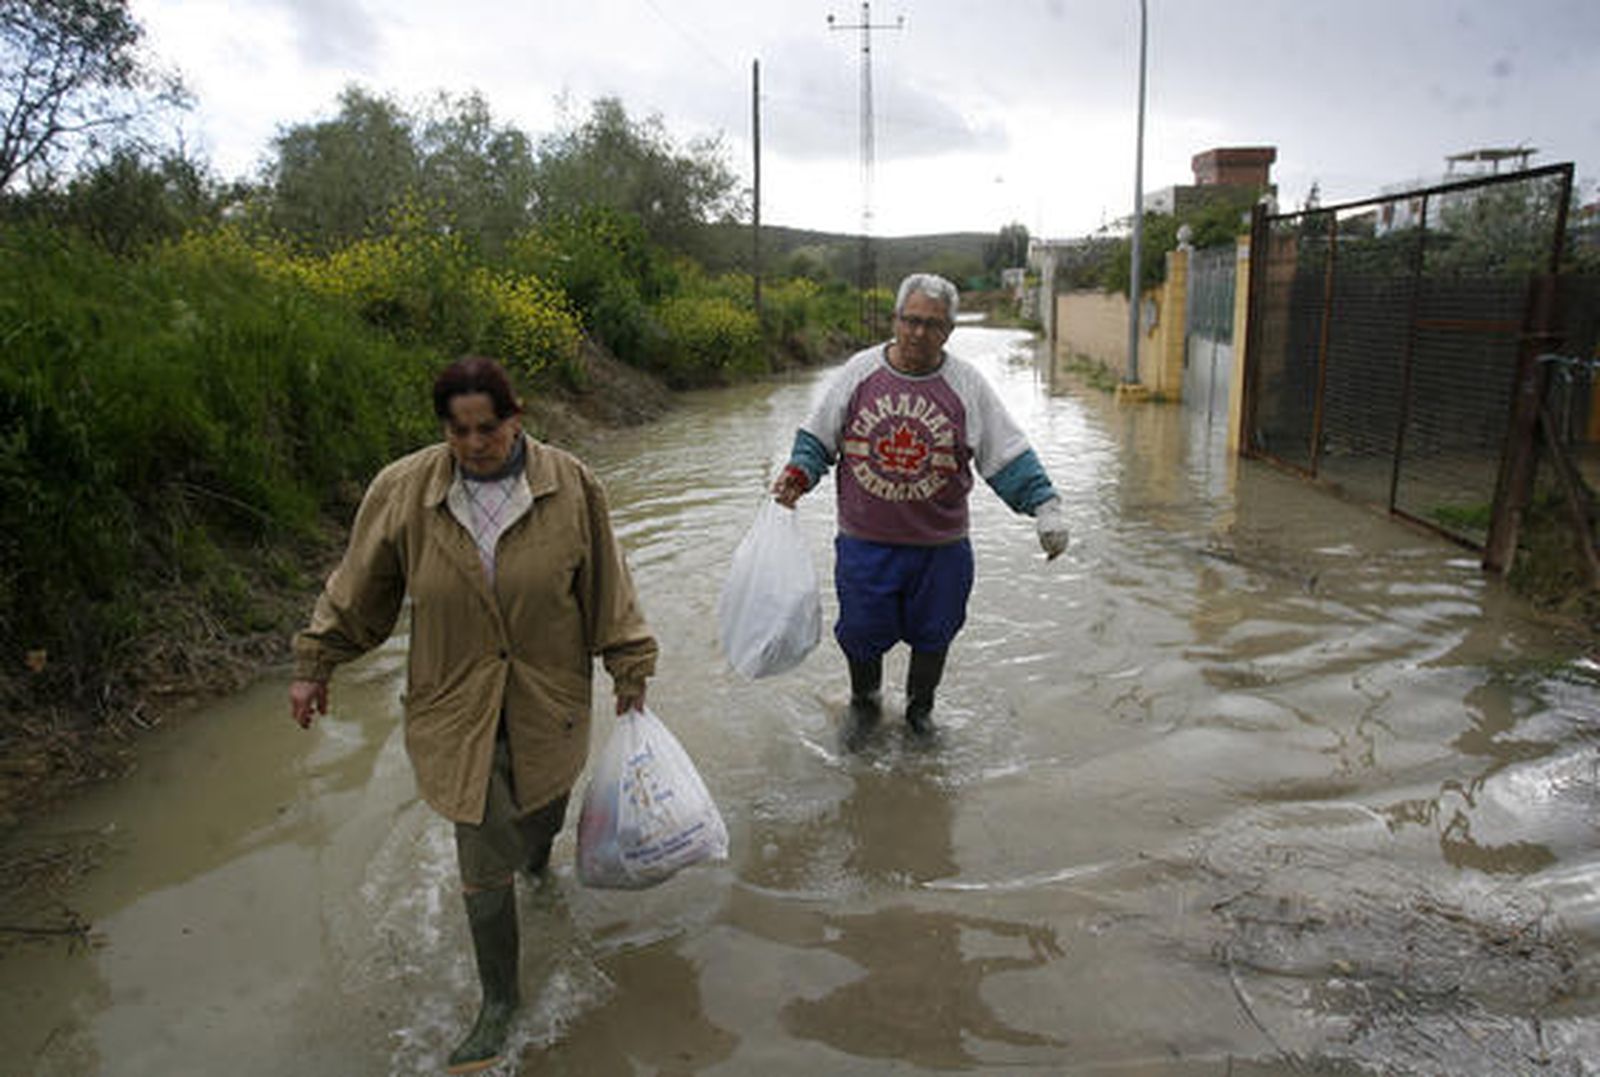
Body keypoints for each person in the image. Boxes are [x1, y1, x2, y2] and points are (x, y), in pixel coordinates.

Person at [288, 356, 657, 1073]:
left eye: (488, 427)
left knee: (539, 815)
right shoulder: (405, 489)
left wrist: (629, 664)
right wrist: (315, 662)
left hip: (547, 694)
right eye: (458, 430)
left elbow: (610, 586)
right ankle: (498, 1000)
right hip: (455, 699)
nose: (474, 444)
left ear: (516, 418)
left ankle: (540, 861)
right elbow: (358, 587)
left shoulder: (571, 484)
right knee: (481, 836)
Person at [772, 273, 1069, 748]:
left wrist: (1045, 506)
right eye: (910, 320)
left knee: (935, 636)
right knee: (861, 634)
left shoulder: (966, 385)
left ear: (949, 331)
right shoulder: (859, 373)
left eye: (932, 325)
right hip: (865, 545)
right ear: (895, 320)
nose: (918, 333)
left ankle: (919, 714)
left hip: (941, 551)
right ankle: (864, 705)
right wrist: (797, 476)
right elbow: (817, 437)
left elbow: (1007, 453)